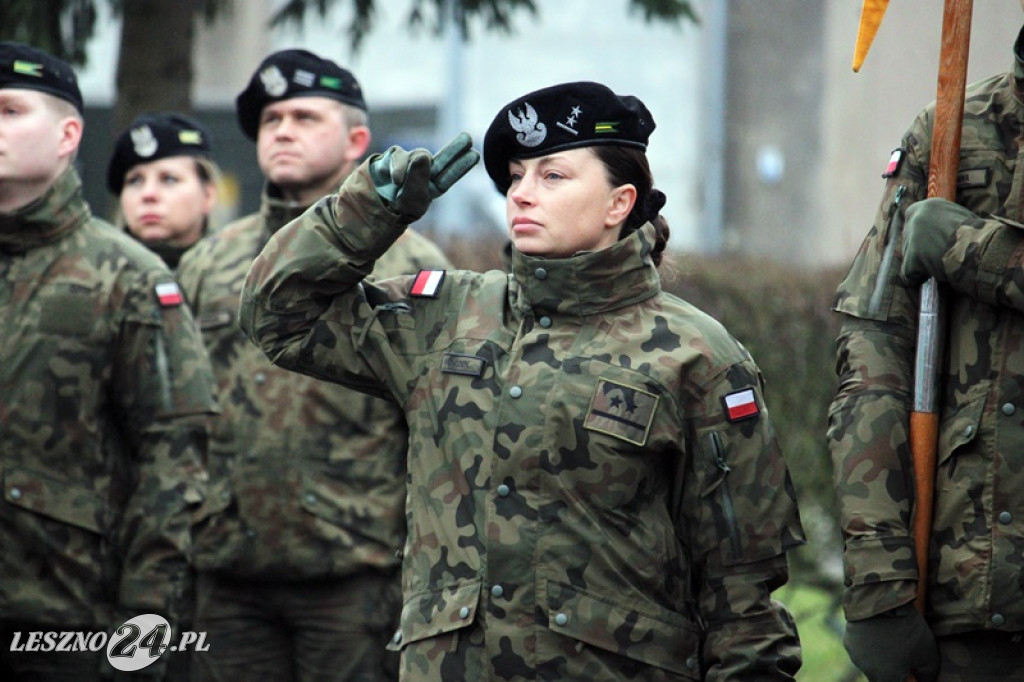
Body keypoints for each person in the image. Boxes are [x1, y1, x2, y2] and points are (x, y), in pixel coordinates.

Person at [239, 80, 805, 681]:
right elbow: (278, 314)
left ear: (619, 203)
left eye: (552, 176)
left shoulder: (696, 355)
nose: (522, 195)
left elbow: (741, 587)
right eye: (514, 176)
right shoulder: (446, 315)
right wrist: (370, 210)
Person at [177, 48, 452, 682]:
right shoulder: (210, 263)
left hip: (353, 575)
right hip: (226, 570)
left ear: (358, 139)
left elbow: (435, 428)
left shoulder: (413, 264)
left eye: (304, 117)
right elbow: (178, 411)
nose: (282, 130)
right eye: (271, 120)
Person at [0, 42, 216, 680]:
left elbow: (172, 462)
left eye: (10, 110)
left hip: (65, 621)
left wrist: (144, 637)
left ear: (68, 134)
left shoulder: (127, 276)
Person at [829, 12, 1024, 682]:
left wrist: (975, 252)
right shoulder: (948, 133)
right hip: (968, 614)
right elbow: (874, 352)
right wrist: (880, 583)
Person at [107, 112, 219, 269]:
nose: (148, 194)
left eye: (169, 179)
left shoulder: (245, 273)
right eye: (135, 180)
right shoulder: (93, 275)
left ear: (208, 195)